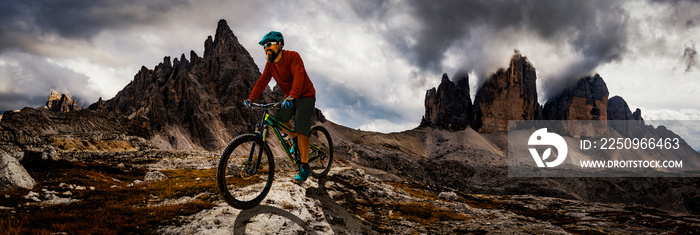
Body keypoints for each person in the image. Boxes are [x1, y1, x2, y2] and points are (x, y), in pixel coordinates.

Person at [245, 31, 316, 183]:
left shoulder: (293, 56)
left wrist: (292, 96)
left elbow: (299, 76)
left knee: (301, 126)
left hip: (305, 96)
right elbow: (262, 82)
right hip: (290, 96)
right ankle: (294, 138)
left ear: (279, 45)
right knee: (277, 118)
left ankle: (305, 166)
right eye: (264, 46)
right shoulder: (270, 65)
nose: (266, 48)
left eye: (269, 45)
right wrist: (251, 98)